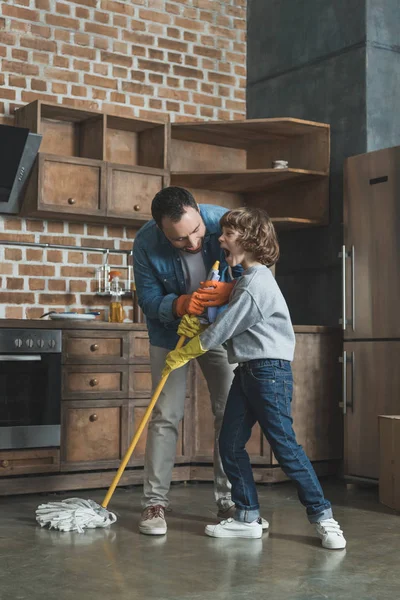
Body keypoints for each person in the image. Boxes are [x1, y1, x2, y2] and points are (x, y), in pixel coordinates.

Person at [163, 207, 347, 550]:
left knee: (285, 447)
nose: (220, 239)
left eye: (228, 234)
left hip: (268, 373)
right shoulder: (244, 279)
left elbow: (226, 329)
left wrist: (186, 350)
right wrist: (200, 319)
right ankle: (247, 516)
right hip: (248, 371)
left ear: (248, 240)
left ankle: (324, 518)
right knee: (230, 444)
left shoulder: (255, 284)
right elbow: (228, 320)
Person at [133, 187, 242, 536]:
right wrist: (180, 305)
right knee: (165, 414)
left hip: (219, 330)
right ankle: (155, 503)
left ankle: (228, 499)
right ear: (162, 231)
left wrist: (232, 290)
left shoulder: (225, 221)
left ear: (198, 210)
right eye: (180, 240)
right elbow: (149, 300)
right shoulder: (146, 243)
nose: (193, 243)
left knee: (229, 411)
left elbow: (262, 265)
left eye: (196, 232)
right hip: (170, 334)